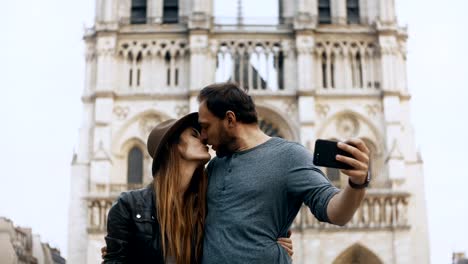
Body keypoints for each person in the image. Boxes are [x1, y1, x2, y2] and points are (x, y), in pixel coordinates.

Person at [197, 83, 371, 263]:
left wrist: (357, 182)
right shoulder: (214, 166)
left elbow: (336, 213)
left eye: (206, 127)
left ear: (230, 120)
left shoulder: (290, 156)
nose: (203, 136)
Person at [102, 112, 294, 264]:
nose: (204, 138)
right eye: (194, 134)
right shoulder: (129, 206)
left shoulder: (211, 205)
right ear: (174, 146)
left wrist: (270, 247)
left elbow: (235, 245)